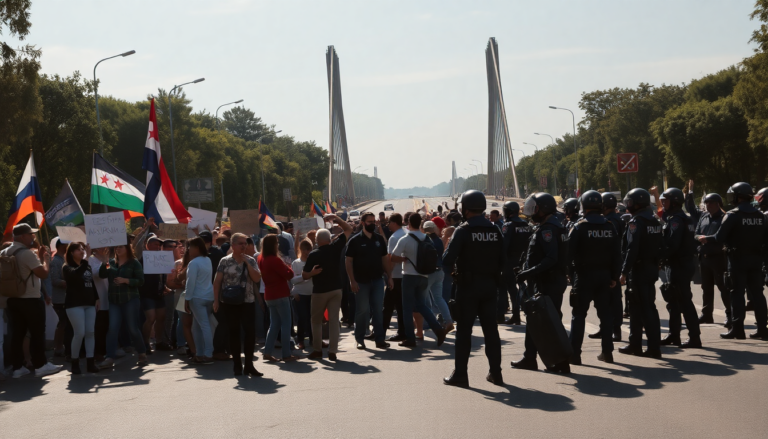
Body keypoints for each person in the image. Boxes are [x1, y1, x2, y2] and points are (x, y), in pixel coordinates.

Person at [442, 190, 503, 387]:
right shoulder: (495, 230)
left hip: (467, 287)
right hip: (490, 286)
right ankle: (496, 373)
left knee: (464, 332)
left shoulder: (463, 230)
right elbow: (503, 259)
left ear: (465, 208)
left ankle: (461, 375)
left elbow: (447, 260)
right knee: (491, 331)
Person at [698, 182, 768, 340]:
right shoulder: (760, 216)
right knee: (758, 294)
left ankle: (737, 329)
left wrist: (705, 238)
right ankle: (763, 330)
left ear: (737, 196)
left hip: (737, 260)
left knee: (736, 294)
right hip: (756, 259)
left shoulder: (732, 215)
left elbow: (719, 237)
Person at [511, 193, 570, 374]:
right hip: (546, 280)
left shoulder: (548, 230)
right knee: (535, 319)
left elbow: (551, 258)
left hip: (548, 281)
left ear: (543, 209)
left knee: (550, 321)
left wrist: (528, 272)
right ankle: (530, 357)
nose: (532, 212)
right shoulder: (550, 226)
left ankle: (561, 362)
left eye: (535, 208)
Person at [566, 191, 621, 365]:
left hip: (583, 276)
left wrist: (569, 273)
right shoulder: (609, 226)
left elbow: (568, 254)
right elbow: (616, 254)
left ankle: (575, 354)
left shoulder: (579, 227)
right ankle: (607, 352)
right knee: (605, 315)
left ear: (583, 206)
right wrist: (614, 276)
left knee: (578, 314)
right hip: (605, 277)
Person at [3, 224, 62, 378]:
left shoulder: (4, 252)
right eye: (31, 234)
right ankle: (41, 365)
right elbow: (43, 274)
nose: (33, 237)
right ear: (23, 236)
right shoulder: (26, 253)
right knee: (37, 332)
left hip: (12, 298)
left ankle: (17, 368)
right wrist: (45, 260)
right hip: (30, 298)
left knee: (18, 333)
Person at [618, 188, 664, 358]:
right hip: (650, 267)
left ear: (638, 203)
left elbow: (632, 249)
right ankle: (635, 344)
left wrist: (624, 271)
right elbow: (661, 245)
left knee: (645, 308)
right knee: (637, 308)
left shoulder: (636, 222)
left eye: (630, 202)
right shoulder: (654, 220)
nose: (628, 205)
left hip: (638, 269)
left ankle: (653, 348)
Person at [390, 213, 447, 348]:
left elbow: (393, 257)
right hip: (424, 276)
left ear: (408, 223)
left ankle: (410, 338)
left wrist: (403, 258)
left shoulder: (405, 239)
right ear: (420, 223)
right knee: (422, 305)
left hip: (409, 276)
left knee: (407, 308)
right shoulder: (427, 238)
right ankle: (438, 329)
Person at [656, 187, 702, 348]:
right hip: (681, 263)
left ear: (674, 202)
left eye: (666, 201)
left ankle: (694, 337)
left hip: (678, 265)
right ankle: (674, 335)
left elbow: (672, 244)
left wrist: (659, 256)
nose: (663, 203)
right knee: (673, 301)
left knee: (684, 302)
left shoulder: (676, 220)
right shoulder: (684, 218)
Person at [303, 214, 353, 360]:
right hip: (336, 289)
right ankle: (333, 351)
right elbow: (349, 229)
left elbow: (305, 275)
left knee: (316, 321)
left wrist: (312, 273)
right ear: (329, 238)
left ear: (317, 241)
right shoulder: (336, 247)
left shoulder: (314, 254)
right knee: (334, 320)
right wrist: (336, 218)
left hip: (320, 291)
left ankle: (317, 349)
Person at [214, 233, 264, 376]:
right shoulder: (225, 261)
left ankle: (249, 365)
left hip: (247, 301)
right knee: (234, 332)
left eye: (245, 243)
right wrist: (216, 300)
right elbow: (217, 281)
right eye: (241, 243)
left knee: (250, 332)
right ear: (233, 245)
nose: (244, 246)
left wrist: (247, 263)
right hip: (229, 302)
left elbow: (257, 278)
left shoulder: (251, 260)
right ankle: (237, 365)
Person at [98, 242, 148, 368]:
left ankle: (142, 353)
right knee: (113, 328)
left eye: (120, 246)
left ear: (127, 248)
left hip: (130, 299)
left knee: (132, 328)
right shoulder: (111, 262)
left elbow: (141, 281)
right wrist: (105, 262)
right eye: (116, 247)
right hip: (114, 300)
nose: (118, 249)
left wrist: (126, 280)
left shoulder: (134, 263)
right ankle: (109, 357)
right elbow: (102, 274)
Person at [685, 180, 729, 326]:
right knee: (706, 287)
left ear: (718, 204)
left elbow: (721, 236)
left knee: (723, 287)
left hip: (719, 257)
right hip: (704, 257)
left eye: (711, 203)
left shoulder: (724, 218)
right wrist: (699, 238)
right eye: (707, 202)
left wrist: (707, 239)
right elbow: (696, 233)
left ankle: (730, 314)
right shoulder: (704, 217)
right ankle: (706, 314)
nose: (708, 205)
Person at [345, 212, 391, 349]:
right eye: (370, 222)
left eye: (374, 221)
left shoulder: (379, 239)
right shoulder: (355, 240)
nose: (373, 224)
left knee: (378, 310)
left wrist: (390, 276)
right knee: (362, 311)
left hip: (377, 280)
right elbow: (348, 261)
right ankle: (359, 339)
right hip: (361, 282)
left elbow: (384, 259)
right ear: (363, 223)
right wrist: (352, 280)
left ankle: (380, 339)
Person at [589, 192, 626, 341]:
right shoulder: (619, 219)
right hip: (615, 263)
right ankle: (608, 328)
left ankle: (613, 329)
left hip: (609, 264)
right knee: (611, 299)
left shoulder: (609, 222)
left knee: (609, 300)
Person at [258, 234, 298, 363]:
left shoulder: (261, 258)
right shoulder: (275, 260)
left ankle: (267, 351)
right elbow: (289, 275)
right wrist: (288, 266)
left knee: (274, 324)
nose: (278, 244)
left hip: (269, 294)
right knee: (286, 324)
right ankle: (286, 353)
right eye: (276, 242)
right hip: (280, 294)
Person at [62, 242, 100, 374]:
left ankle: (90, 362)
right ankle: (75, 362)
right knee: (79, 333)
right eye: (78, 249)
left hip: (89, 303)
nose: (82, 251)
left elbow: (91, 282)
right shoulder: (67, 267)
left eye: (82, 249)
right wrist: (86, 259)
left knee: (90, 332)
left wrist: (96, 298)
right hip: (74, 304)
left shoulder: (86, 265)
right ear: (71, 252)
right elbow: (76, 275)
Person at [499, 201, 531, 325]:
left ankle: (512, 315)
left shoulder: (508, 225)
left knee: (510, 289)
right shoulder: (526, 224)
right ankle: (526, 312)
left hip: (509, 261)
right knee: (522, 288)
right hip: (523, 261)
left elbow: (504, 245)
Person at [184, 237, 216, 364]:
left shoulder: (193, 263)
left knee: (203, 326)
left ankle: (208, 354)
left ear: (196, 248)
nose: (188, 250)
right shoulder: (207, 260)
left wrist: (187, 299)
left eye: (190, 247)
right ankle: (200, 353)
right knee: (197, 326)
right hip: (208, 296)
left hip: (197, 297)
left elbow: (190, 283)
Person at [200, 230, 229, 361]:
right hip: (202, 294)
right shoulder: (196, 255)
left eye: (206, 241)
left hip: (214, 293)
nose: (204, 244)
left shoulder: (217, 254)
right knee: (202, 324)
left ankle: (218, 349)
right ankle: (200, 350)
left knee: (219, 322)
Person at [139, 235, 170, 353]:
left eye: (159, 245)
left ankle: (159, 342)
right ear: (148, 245)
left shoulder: (162, 258)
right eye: (155, 244)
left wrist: (164, 286)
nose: (158, 247)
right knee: (151, 318)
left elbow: (162, 275)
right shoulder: (142, 260)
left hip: (159, 294)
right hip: (147, 294)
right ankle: (145, 344)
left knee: (161, 317)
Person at [423, 221, 453, 332]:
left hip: (429, 272)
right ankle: (448, 321)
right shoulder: (439, 241)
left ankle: (427, 323)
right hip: (440, 271)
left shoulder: (426, 240)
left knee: (425, 298)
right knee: (439, 298)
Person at [382, 213, 407, 341]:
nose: (388, 225)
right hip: (404, 275)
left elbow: (391, 257)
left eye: (389, 223)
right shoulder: (406, 233)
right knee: (400, 306)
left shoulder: (394, 237)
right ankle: (402, 331)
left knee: (388, 306)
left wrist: (389, 274)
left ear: (394, 223)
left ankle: (381, 332)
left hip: (395, 276)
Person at [291, 239, 314, 350]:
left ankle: (314, 340)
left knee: (313, 318)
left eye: (309, 249)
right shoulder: (296, 263)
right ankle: (300, 340)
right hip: (300, 294)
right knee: (302, 318)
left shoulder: (313, 262)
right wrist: (307, 276)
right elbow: (293, 280)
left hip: (313, 294)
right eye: (304, 249)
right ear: (301, 250)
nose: (306, 252)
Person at [50, 239, 71, 359]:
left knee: (65, 324)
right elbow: (54, 280)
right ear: (63, 246)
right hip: (60, 299)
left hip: (66, 298)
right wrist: (70, 282)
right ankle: (58, 348)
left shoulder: (64, 260)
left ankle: (61, 347)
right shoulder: (56, 261)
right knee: (62, 324)